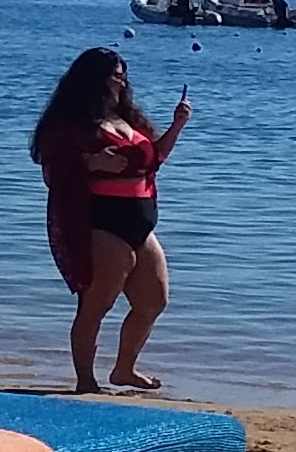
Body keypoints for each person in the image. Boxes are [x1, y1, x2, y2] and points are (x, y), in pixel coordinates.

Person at [31, 48, 192, 394]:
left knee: (153, 300)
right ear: (93, 80)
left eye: (122, 75)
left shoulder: (127, 118)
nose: (121, 81)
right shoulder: (71, 125)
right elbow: (52, 173)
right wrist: (92, 164)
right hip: (101, 219)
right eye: (114, 75)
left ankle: (124, 369)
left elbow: (154, 159)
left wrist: (177, 125)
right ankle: (86, 381)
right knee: (95, 306)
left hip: (140, 221)